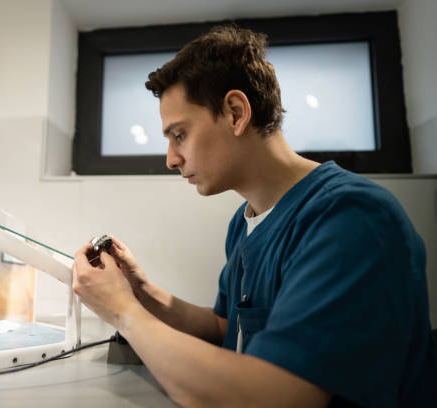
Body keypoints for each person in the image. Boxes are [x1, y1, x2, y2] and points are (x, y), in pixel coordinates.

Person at [72, 25, 437, 407]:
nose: (170, 159)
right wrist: (141, 293)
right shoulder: (244, 222)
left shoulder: (351, 217)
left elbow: (278, 395)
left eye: (179, 135)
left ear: (235, 113)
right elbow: (227, 327)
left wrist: (124, 312)